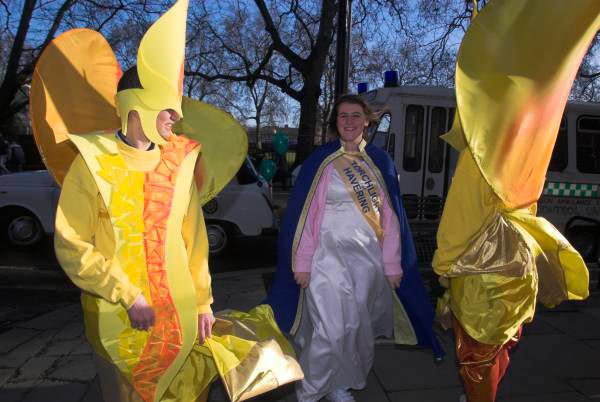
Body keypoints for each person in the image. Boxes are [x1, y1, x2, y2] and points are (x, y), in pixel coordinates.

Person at [30, 1, 302, 401]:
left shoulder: (179, 162)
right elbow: (73, 245)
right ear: (136, 106)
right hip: (117, 319)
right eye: (169, 106)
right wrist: (126, 293)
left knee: (185, 390)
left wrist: (204, 302)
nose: (177, 116)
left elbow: (193, 241)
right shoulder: (92, 163)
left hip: (178, 318)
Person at [433, 2, 596, 401]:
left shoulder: (479, 163)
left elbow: (456, 228)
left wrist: (441, 270)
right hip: (519, 268)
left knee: (475, 352)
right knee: (505, 341)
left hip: (483, 273)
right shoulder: (524, 149)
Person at [266, 94, 444, 402]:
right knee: (330, 330)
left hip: (367, 262)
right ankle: (308, 393)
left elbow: (391, 220)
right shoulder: (321, 161)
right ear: (336, 123)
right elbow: (306, 216)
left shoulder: (381, 162)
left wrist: (392, 265)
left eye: (354, 115)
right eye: (342, 116)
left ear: (366, 121)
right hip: (326, 259)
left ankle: (340, 382)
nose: (348, 121)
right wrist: (303, 263)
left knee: (355, 330)